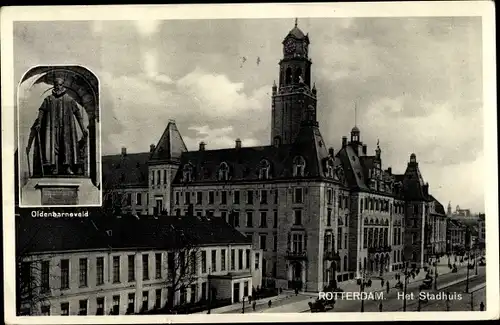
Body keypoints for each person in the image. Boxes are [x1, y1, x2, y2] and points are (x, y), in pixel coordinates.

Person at [28, 77, 88, 176]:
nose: (58, 87)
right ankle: (54, 168)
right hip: (52, 128)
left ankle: (67, 167)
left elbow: (78, 114)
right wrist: (39, 122)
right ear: (54, 86)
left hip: (66, 128)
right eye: (56, 85)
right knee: (53, 147)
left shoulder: (69, 99)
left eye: (60, 85)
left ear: (63, 85)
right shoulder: (49, 99)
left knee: (66, 146)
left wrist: (83, 128)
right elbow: (41, 111)